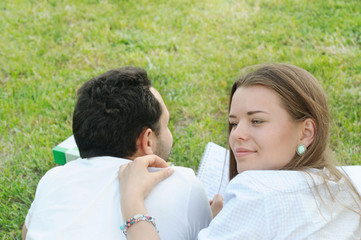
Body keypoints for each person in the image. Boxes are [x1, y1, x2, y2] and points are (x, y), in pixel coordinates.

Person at [117, 63, 361, 239]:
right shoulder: (349, 184)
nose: (237, 134)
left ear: (306, 132)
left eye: (256, 121)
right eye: (234, 123)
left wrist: (133, 202)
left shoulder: (256, 192)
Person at [22, 66, 212, 240]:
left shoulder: (52, 180)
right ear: (147, 140)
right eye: (166, 124)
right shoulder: (183, 185)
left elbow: (27, 233)